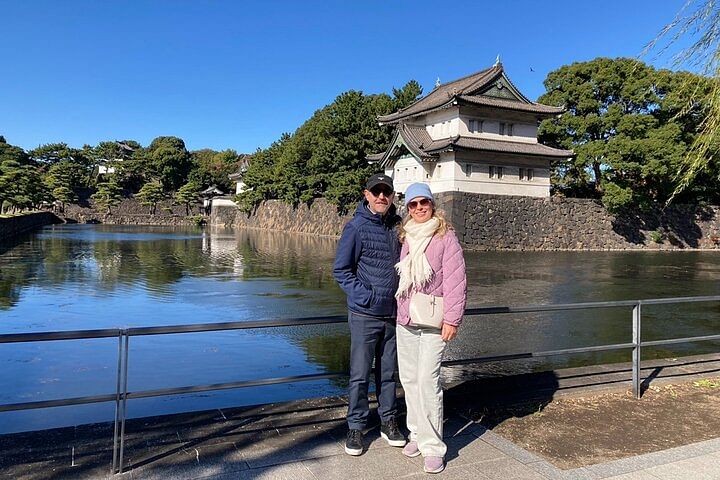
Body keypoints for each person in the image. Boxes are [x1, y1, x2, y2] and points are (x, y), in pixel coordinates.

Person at [394, 182, 467, 474]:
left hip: (435, 321)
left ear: (433, 205)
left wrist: (453, 319)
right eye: (413, 204)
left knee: (428, 381)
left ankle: (434, 446)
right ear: (408, 209)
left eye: (424, 202)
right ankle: (416, 434)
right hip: (406, 318)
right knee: (410, 380)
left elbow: (456, 280)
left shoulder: (445, 237)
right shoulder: (406, 237)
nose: (419, 208)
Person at [333, 173, 406, 456]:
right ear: (366, 195)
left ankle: (389, 421)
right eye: (376, 192)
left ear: (391, 197)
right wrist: (366, 297)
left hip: (393, 314)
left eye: (386, 192)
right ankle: (356, 426)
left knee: (388, 373)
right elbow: (341, 270)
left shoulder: (397, 227)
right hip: (365, 313)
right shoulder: (356, 227)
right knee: (360, 374)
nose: (381, 197)